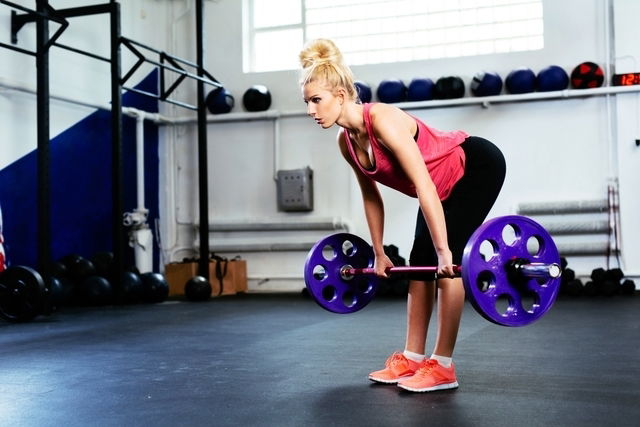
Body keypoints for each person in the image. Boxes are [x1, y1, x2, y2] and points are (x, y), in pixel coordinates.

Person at [299, 39, 506, 393]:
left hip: (475, 167)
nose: (310, 110)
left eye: (316, 100)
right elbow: (370, 195)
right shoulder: (345, 141)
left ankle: (442, 366)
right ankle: (412, 357)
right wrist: (378, 251)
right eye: (307, 102)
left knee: (447, 260)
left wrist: (445, 252)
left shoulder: (384, 120)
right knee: (418, 260)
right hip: (438, 189)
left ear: (342, 95)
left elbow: (423, 183)